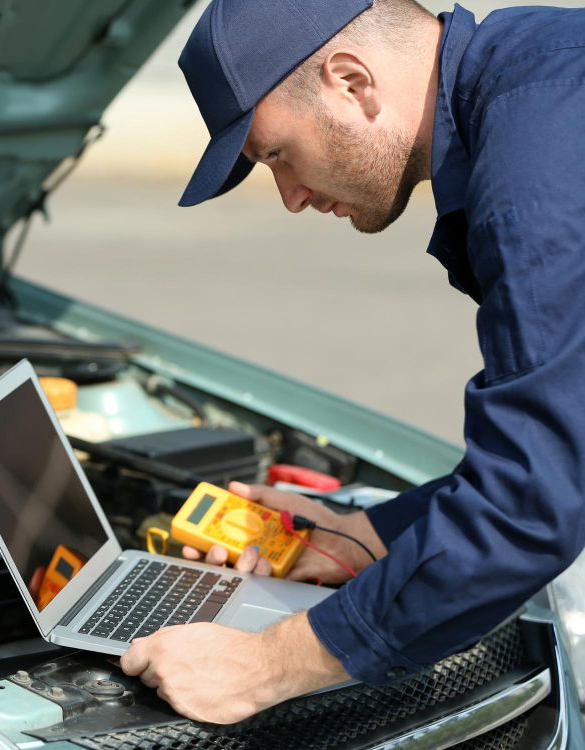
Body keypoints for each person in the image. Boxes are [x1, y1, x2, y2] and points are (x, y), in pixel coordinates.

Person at [119, 0, 585, 724]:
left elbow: (529, 505)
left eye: (276, 155)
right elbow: (563, 450)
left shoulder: (538, 170)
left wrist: (264, 666)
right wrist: (369, 536)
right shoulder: (542, 75)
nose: (292, 197)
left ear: (351, 81)